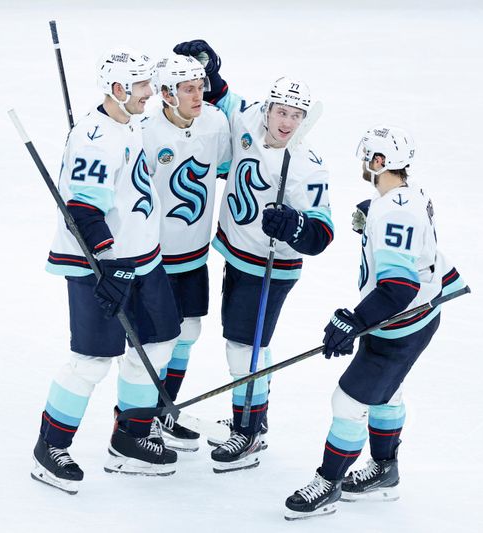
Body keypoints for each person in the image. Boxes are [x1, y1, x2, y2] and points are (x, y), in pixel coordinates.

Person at [283, 126, 466, 520]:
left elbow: (399, 287)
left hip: (400, 323)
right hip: (413, 317)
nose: (364, 163)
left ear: (379, 162)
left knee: (348, 401)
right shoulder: (407, 195)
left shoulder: (392, 212)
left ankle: (328, 483)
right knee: (386, 392)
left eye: (368, 157)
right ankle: (385, 470)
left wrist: (355, 320)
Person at [172, 40, 335, 473]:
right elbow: (222, 97)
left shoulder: (307, 165)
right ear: (269, 108)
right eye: (282, 112)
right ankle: (253, 418)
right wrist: (209, 68)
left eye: (296, 116)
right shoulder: (248, 117)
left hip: (270, 268)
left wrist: (293, 226)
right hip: (237, 255)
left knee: (245, 348)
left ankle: (248, 432)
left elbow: (322, 233)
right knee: (245, 344)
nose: (287, 123)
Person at [31, 47, 182, 495]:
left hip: (143, 259)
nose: (150, 93)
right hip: (100, 265)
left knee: (159, 342)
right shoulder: (95, 140)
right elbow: (82, 211)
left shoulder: (127, 122)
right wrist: (109, 264)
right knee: (92, 360)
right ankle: (50, 447)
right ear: (117, 89)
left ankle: (130, 437)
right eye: (142, 86)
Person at [140, 54, 232, 451]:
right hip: (153, 258)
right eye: (188, 89)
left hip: (194, 254)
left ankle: (165, 410)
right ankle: (138, 419)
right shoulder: (145, 132)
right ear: (166, 94)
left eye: (200, 87)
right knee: (154, 342)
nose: (198, 96)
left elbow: (231, 162)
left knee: (188, 333)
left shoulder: (215, 122)